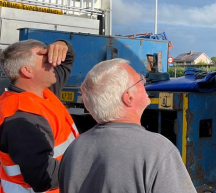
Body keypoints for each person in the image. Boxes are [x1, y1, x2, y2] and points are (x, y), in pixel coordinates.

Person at [59, 59, 196, 193]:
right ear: (128, 97)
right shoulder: (157, 150)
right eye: (140, 80)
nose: (145, 83)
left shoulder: (75, 149)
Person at [0, 39, 78, 193]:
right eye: (46, 60)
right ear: (27, 71)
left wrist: (62, 45)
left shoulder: (42, 92)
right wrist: (89, 166)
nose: (53, 63)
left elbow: (67, 60)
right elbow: (43, 177)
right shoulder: (20, 116)